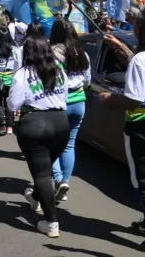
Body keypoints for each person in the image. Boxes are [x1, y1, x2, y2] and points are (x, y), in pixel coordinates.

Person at [100, 8, 145, 254]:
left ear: (139, 30)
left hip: (144, 127)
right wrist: (120, 47)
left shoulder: (141, 60)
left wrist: (110, 99)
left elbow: (134, 100)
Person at [7, 22, 69, 238]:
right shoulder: (59, 70)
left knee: (42, 172)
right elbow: (65, 98)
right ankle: (36, 197)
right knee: (43, 167)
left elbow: (13, 105)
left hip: (35, 124)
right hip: (61, 124)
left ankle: (51, 221)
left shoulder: (22, 74)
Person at [49, 19, 91, 202]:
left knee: (50, 145)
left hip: (59, 104)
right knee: (69, 144)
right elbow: (87, 81)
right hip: (79, 103)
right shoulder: (82, 54)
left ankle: (58, 180)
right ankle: (65, 182)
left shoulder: (52, 54)